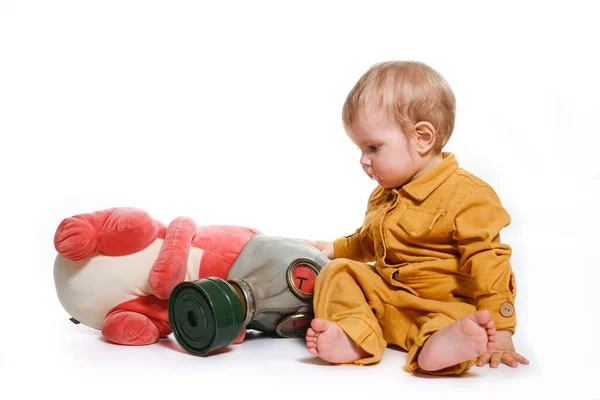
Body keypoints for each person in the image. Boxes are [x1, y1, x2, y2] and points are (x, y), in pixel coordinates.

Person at [304, 61, 529, 375]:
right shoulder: (384, 194)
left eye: (373, 147)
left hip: (442, 307)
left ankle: (442, 346)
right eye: (359, 149)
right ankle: (356, 333)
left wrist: (501, 329)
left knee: (466, 322)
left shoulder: (469, 195)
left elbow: (489, 263)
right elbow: (368, 242)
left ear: (422, 137)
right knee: (339, 272)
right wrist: (333, 248)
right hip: (387, 300)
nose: (363, 161)